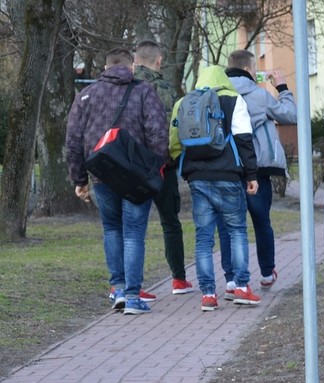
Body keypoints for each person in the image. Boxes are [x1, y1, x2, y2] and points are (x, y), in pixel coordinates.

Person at [66, 47, 168, 315]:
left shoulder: (86, 95)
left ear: (105, 67)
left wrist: (79, 179)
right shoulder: (144, 91)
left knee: (111, 229)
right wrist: (154, 169)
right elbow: (158, 133)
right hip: (136, 176)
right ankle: (133, 296)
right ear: (132, 66)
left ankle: (118, 289)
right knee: (134, 233)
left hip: (102, 173)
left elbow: (73, 141)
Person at [169, 65, 260, 312]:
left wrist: (185, 169)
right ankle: (241, 287)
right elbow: (243, 138)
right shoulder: (234, 100)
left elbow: (174, 142)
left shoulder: (184, 102)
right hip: (228, 175)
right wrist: (251, 174)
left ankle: (208, 294)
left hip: (197, 178)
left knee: (203, 238)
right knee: (237, 231)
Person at [218, 49, 297, 297]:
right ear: (249, 69)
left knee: (229, 226)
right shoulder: (259, 95)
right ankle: (266, 272)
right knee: (262, 222)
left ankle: (231, 279)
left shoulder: (217, 93)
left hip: (226, 168)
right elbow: (290, 114)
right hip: (258, 168)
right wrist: (281, 87)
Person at [134, 39, 194, 296]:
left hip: (132, 168)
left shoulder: (126, 87)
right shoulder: (167, 90)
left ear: (135, 61)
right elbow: (177, 130)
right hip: (163, 167)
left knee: (133, 228)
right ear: (159, 60)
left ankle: (132, 284)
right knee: (170, 222)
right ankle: (178, 279)